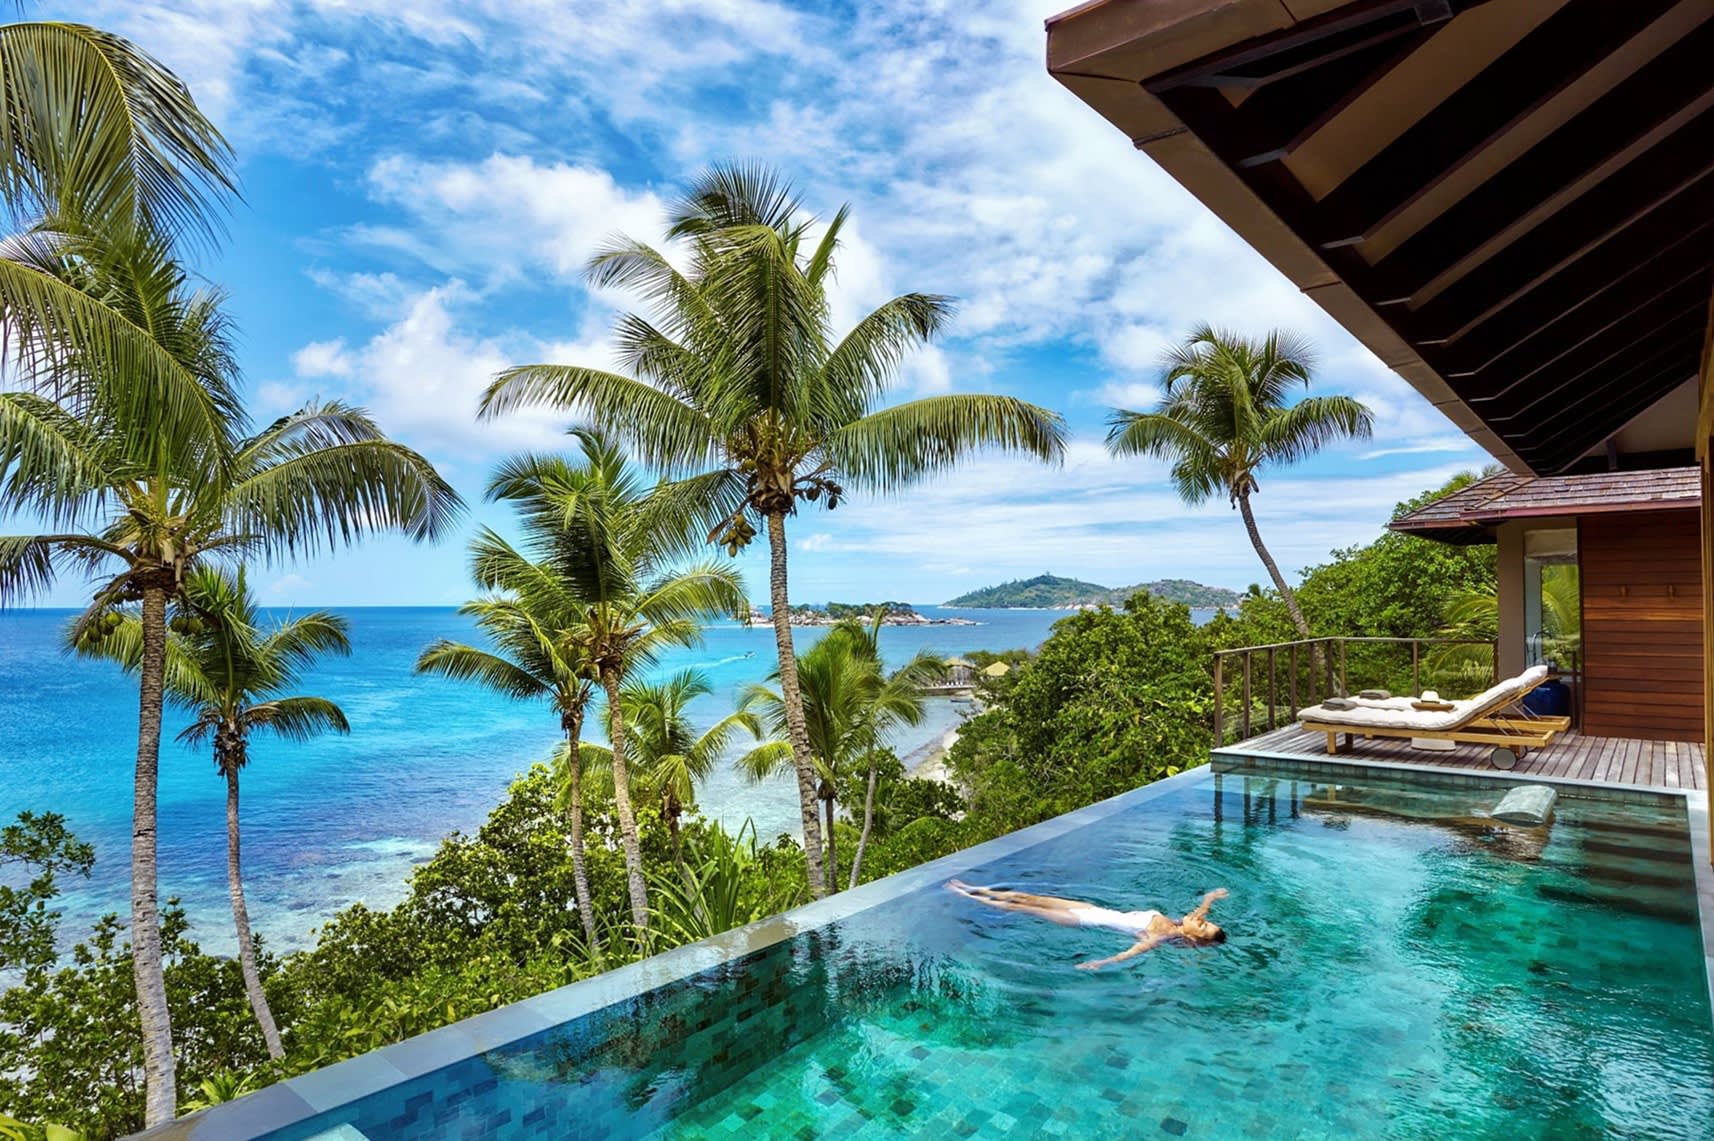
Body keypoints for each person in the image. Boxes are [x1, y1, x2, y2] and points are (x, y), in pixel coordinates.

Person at [946, 880, 1229, 970]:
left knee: (1020, 907)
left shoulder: (1159, 936)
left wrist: (1099, 963)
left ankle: (964, 895)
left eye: (1203, 926)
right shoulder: (1178, 923)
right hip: (1089, 908)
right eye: (1206, 921)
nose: (1201, 920)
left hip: (1081, 920)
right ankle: (971, 887)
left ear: (1195, 939)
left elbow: (1129, 954)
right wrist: (1211, 898)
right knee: (1027, 897)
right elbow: (1200, 913)